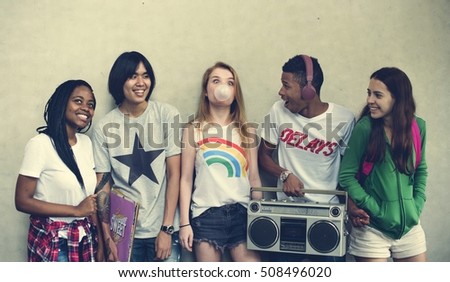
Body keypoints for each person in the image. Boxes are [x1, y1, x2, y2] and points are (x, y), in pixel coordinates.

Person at [258, 54, 355, 262]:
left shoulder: (344, 119)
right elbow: (263, 157)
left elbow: (349, 172)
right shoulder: (278, 111)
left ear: (309, 89)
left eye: (286, 85)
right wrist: (285, 175)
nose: (281, 92)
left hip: (327, 215)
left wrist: (354, 207)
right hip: (286, 212)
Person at [92, 51, 181, 262]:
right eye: (133, 76)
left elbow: (175, 175)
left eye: (145, 75)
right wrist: (107, 239)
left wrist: (166, 229)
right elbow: (102, 185)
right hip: (123, 234)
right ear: (119, 81)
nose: (141, 82)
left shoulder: (167, 115)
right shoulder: (104, 127)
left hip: (162, 229)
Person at [338, 67, 428, 262]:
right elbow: (346, 176)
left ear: (397, 98)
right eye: (369, 93)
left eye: (377, 95)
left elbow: (421, 169)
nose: (370, 100)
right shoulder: (365, 128)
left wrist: (417, 204)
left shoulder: (417, 127)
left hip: (410, 228)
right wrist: (374, 208)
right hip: (372, 231)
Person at [179, 62, 262, 262]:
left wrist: (259, 218)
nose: (223, 87)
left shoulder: (247, 131)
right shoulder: (193, 130)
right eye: (216, 81)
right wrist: (184, 223)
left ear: (235, 92)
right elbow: (185, 179)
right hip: (206, 215)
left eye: (230, 83)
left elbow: (254, 178)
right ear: (206, 91)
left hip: (242, 214)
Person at [15, 80, 101, 262]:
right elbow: (22, 201)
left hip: (84, 238)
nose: (86, 108)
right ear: (62, 103)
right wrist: (76, 210)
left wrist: (100, 240)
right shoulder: (40, 144)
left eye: (90, 104)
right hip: (53, 241)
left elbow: (88, 196)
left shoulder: (86, 143)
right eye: (78, 101)